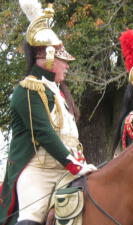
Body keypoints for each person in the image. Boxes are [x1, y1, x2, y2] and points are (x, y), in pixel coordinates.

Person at [0, 1, 96, 225]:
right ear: (49, 57)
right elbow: (45, 133)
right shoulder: (27, 89)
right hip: (39, 170)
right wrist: (74, 164)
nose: (68, 66)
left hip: (67, 169)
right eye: (64, 61)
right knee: (30, 219)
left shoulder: (58, 92)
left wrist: (78, 164)